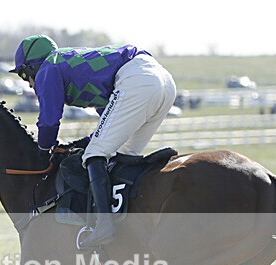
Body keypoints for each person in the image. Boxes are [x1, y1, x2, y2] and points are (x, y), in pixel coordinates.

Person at [10, 35, 177, 248]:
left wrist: (43, 150)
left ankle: (104, 226)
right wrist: (84, 141)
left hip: (139, 79)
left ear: (32, 66)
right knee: (121, 154)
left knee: (95, 154)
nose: (31, 84)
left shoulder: (47, 68)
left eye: (25, 76)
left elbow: (49, 121)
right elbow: (109, 121)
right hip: (162, 81)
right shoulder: (70, 63)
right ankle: (129, 220)